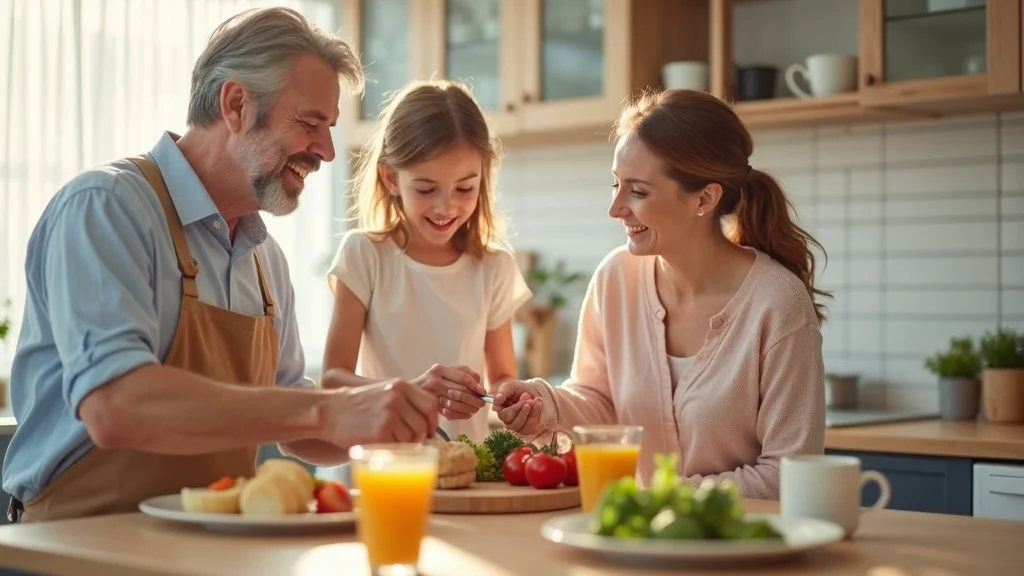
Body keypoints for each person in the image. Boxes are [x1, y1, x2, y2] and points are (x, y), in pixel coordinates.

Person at [2, 7, 440, 524]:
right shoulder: (107, 206)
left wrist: (385, 411)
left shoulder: (264, 259)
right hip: (81, 543)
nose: (325, 150)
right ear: (235, 104)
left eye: (330, 127)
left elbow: (293, 418)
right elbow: (114, 405)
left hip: (216, 545)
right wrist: (329, 410)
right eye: (310, 123)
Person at [493, 89, 828, 500]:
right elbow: (600, 402)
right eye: (616, 185)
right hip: (643, 544)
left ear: (704, 198)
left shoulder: (779, 304)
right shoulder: (615, 278)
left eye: (637, 191)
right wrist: (544, 404)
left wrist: (665, 497)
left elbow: (789, 474)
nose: (615, 207)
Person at [321, 80, 532, 444]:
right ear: (391, 178)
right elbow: (334, 378)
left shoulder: (493, 267)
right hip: (385, 466)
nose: (445, 207)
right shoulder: (365, 255)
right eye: (425, 189)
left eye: (465, 188)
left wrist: (512, 396)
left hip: (464, 468)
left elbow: (501, 376)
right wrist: (413, 391)